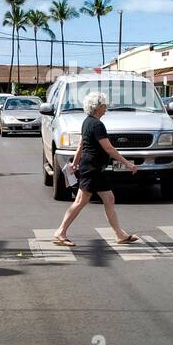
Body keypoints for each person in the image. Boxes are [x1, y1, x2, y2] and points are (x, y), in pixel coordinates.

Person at [52, 91, 139, 247]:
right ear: (97, 107)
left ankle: (120, 234)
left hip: (94, 168)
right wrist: (128, 163)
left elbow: (81, 145)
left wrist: (75, 163)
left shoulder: (87, 121)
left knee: (109, 198)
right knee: (80, 201)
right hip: (92, 169)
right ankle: (60, 232)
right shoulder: (97, 125)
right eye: (104, 105)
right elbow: (109, 149)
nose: (106, 108)